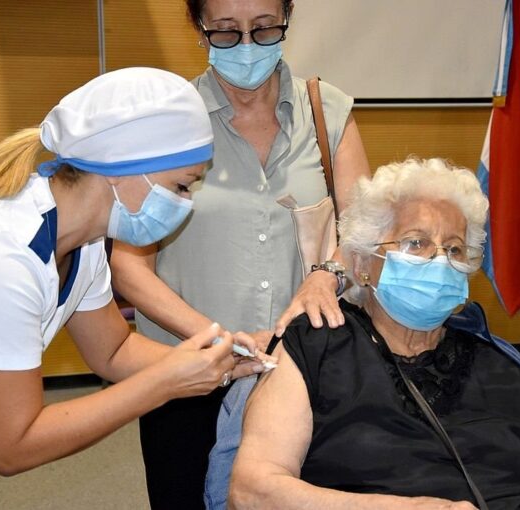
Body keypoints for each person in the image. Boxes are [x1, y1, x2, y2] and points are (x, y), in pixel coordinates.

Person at [0, 67, 266, 510]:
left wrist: (220, 362)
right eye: (181, 186)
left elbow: (113, 351)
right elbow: (11, 447)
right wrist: (165, 383)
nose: (185, 204)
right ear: (121, 168)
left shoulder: (82, 241)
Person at [108, 0, 371, 508]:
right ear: (198, 26)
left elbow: (363, 231)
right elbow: (128, 264)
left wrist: (328, 274)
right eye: (227, 32)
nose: (247, 46)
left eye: (265, 28)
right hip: (188, 375)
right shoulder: (168, 122)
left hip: (305, 375)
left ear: (287, 17)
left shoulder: (328, 113)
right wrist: (218, 339)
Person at [229, 158, 520, 509]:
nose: (439, 259)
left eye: (454, 248)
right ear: (362, 263)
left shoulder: (497, 362)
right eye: (416, 242)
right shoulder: (315, 347)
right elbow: (252, 492)